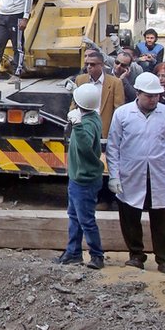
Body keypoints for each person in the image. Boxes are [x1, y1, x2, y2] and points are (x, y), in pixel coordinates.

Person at [106, 72, 165, 275]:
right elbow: (113, 147)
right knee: (130, 216)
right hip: (130, 174)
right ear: (138, 93)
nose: (153, 99)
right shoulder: (122, 114)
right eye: (149, 96)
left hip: (159, 175)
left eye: (156, 95)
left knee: (163, 219)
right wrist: (114, 175)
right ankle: (136, 255)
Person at [56, 84, 105, 269]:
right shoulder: (92, 116)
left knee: (86, 220)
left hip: (84, 180)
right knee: (75, 217)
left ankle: (97, 256)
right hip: (79, 178)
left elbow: (85, 147)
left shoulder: (87, 123)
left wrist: (77, 126)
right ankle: (73, 253)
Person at [74, 50, 126, 137]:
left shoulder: (115, 83)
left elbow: (118, 109)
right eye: (87, 64)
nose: (89, 67)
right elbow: (75, 103)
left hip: (104, 130)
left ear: (102, 65)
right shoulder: (80, 80)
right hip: (83, 127)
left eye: (92, 64)